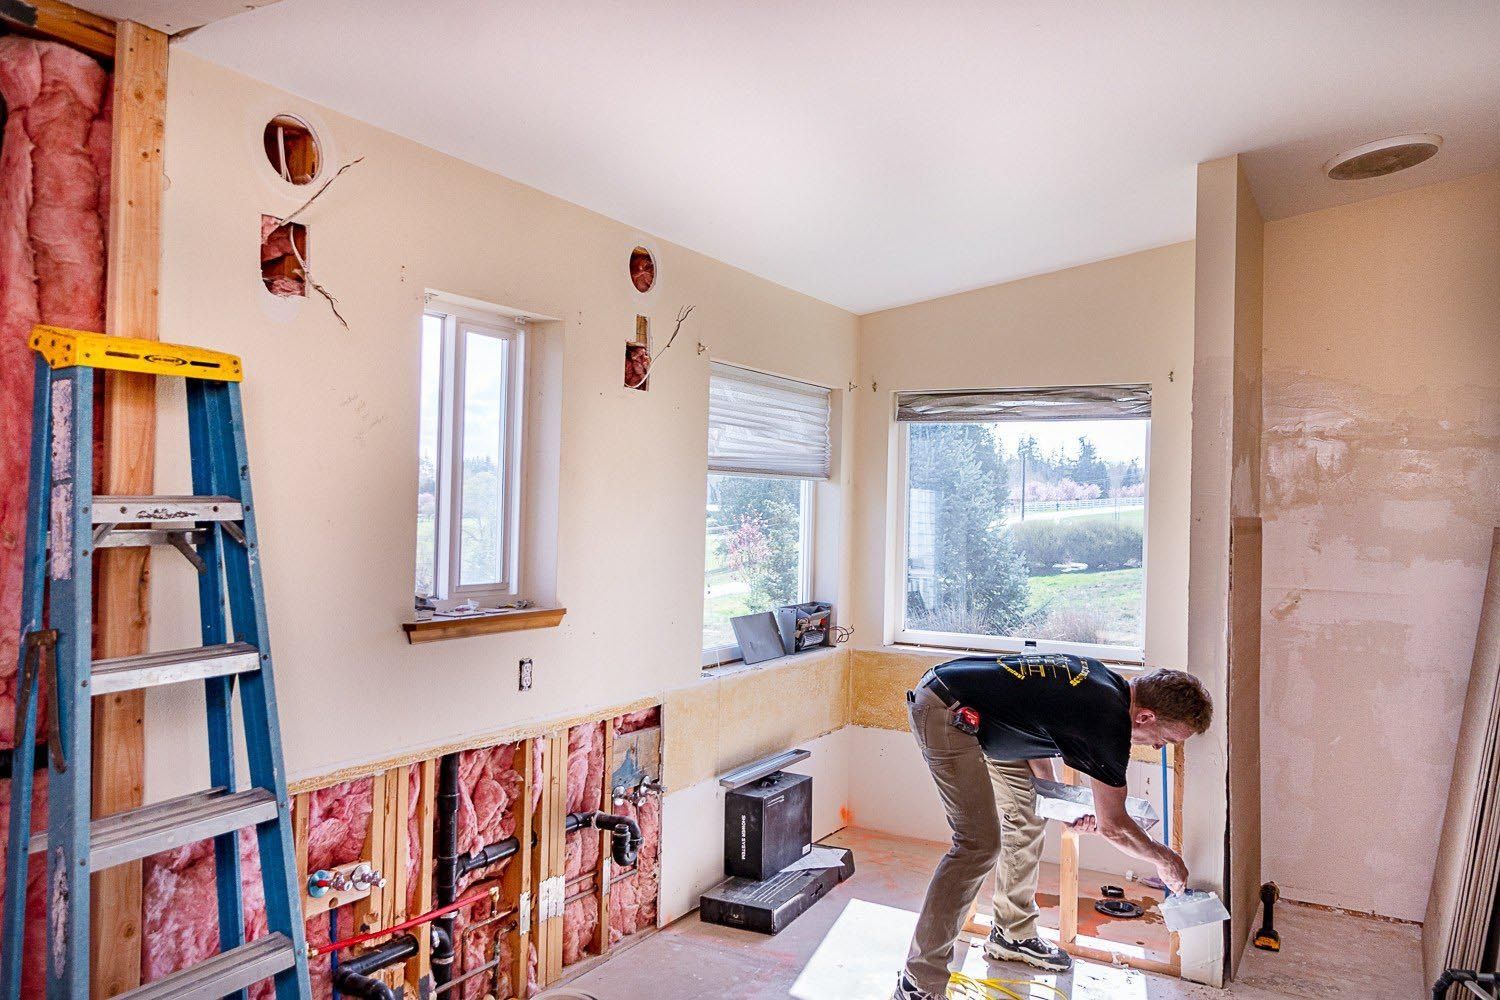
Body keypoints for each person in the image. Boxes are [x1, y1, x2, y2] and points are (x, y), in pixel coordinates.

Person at [893, 654, 1213, 1000]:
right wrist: (1164, 859)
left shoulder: (1106, 683)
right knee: (978, 845)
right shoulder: (1106, 721)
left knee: (1030, 814)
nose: (1157, 746)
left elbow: (1032, 724)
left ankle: (1012, 934)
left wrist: (1056, 801)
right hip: (947, 710)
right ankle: (919, 982)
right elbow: (1115, 826)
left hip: (985, 715)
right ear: (1145, 716)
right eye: (1164, 737)